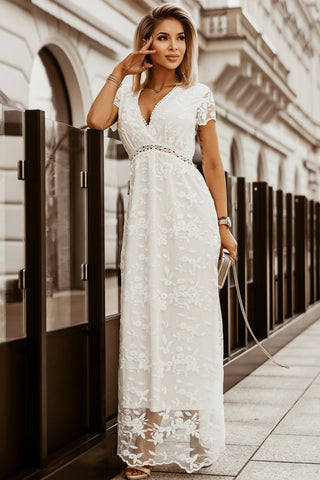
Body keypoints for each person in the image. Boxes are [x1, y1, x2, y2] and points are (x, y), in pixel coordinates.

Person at [87, 3, 237, 479]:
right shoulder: (127, 100)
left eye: (180, 38)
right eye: (163, 37)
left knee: (188, 325)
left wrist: (224, 224)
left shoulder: (198, 94)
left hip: (189, 220)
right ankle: (144, 446)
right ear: (147, 41)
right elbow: (94, 120)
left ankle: (196, 438)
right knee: (145, 327)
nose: (174, 47)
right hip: (145, 227)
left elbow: (213, 164)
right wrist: (119, 70)